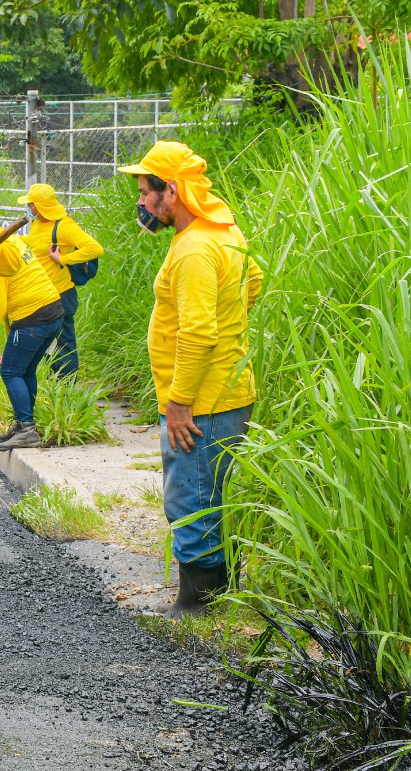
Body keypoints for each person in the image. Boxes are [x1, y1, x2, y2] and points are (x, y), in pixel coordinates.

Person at [117, 141, 262, 618]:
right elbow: (253, 281)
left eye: (145, 191)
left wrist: (179, 402)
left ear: (172, 192)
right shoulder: (222, 232)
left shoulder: (195, 248)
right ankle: (217, 597)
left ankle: (196, 606)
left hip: (202, 401)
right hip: (226, 393)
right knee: (212, 493)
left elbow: (199, 332)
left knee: (191, 496)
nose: (141, 201)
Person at [0, 224, 64, 450]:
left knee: (10, 371)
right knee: (25, 371)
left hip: (33, 318)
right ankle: (23, 426)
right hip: (52, 311)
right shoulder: (14, 243)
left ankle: (27, 429)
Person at [20, 183, 104, 378]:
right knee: (47, 343)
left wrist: (63, 259)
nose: (28, 208)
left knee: (64, 344)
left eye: (30, 204)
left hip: (61, 295)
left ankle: (67, 389)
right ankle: (52, 386)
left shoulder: (64, 226)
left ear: (39, 206)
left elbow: (95, 248)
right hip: (43, 295)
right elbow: (35, 244)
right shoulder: (38, 223)